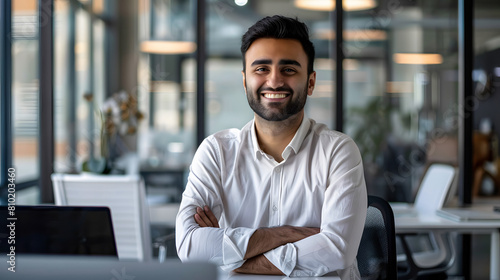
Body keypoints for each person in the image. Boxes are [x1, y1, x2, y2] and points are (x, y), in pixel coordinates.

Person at [175, 15, 367, 278]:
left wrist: (229, 256)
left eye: (288, 69)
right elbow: (189, 246)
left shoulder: (338, 152)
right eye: (261, 69)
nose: (274, 81)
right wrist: (286, 234)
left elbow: (337, 249)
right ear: (245, 81)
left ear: (310, 82)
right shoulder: (216, 152)